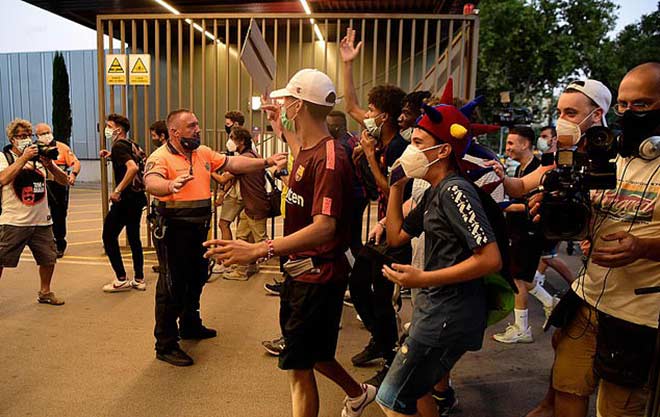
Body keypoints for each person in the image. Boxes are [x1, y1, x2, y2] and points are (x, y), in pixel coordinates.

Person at [204, 68, 377, 417]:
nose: (280, 105)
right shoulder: (313, 150)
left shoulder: (330, 159)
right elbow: (301, 155)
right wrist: (279, 128)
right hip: (302, 275)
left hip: (317, 278)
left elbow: (325, 227)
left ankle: (358, 393)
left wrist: (258, 249)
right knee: (313, 354)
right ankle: (359, 393)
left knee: (298, 367)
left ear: (299, 106)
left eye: (286, 101)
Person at [527, 63, 660, 417]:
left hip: (638, 315)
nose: (630, 113)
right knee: (567, 385)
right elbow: (591, 219)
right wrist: (558, 209)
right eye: (624, 105)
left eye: (642, 105)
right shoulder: (607, 158)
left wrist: (643, 247)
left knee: (617, 408)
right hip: (587, 297)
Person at [376, 102, 502, 417]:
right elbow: (396, 237)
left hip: (449, 314)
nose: (409, 150)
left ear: (443, 150)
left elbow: (490, 259)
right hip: (435, 309)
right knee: (417, 391)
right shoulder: (434, 191)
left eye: (418, 143)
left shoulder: (455, 191)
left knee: (391, 398)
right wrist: (396, 186)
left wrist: (423, 279)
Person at [144, 108, 285, 367]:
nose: (197, 129)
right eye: (191, 126)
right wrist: (168, 186)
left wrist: (266, 162)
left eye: (197, 125)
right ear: (174, 132)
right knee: (171, 285)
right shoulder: (160, 156)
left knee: (197, 277)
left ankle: (190, 324)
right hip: (173, 230)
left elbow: (233, 164)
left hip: (198, 228)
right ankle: (165, 343)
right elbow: (151, 181)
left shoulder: (203, 153)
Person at [340, 27, 411, 385]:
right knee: (358, 284)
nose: (364, 114)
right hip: (383, 225)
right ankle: (380, 340)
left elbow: (389, 188)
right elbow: (350, 103)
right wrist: (347, 64)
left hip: (399, 233)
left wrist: (369, 157)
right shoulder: (378, 134)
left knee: (380, 295)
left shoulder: (396, 146)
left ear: (384, 115)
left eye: (372, 109)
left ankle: (389, 353)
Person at [492, 126, 558, 344]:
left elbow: (537, 204)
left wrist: (508, 207)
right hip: (519, 231)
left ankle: (522, 328)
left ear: (526, 144)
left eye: (511, 143)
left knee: (516, 278)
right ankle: (550, 302)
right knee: (522, 276)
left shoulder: (539, 169)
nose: (508, 148)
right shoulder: (523, 168)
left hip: (529, 232)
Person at [0, 118, 69, 305]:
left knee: (48, 258)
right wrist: (23, 159)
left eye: (27, 136)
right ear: (12, 139)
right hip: (15, 220)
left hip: (41, 220)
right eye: (20, 136)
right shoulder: (3, 157)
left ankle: (45, 292)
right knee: (1, 258)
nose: (25, 139)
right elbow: (2, 179)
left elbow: (64, 181)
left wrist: (49, 165)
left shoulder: (39, 160)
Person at [99, 114, 148, 292]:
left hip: (125, 199)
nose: (107, 129)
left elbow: (133, 167)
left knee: (109, 236)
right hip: (137, 198)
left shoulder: (119, 145)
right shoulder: (130, 144)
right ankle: (139, 278)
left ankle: (121, 278)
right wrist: (112, 155)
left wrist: (117, 190)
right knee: (134, 237)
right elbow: (134, 161)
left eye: (109, 126)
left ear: (119, 129)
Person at [223, 127, 270, 281]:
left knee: (263, 242)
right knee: (242, 237)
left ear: (241, 141)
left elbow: (223, 179)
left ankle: (287, 268)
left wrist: (208, 169)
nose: (230, 141)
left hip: (254, 205)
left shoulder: (244, 160)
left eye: (232, 137)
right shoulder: (254, 155)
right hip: (253, 204)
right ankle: (246, 267)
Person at [533, 125, 574, 286]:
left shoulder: (563, 159)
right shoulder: (546, 159)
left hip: (560, 212)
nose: (541, 140)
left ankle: (574, 285)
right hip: (548, 211)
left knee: (549, 256)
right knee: (547, 254)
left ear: (554, 139)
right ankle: (539, 276)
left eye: (545, 136)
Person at [34, 122, 81, 258]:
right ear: (36, 136)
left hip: (58, 185)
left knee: (59, 214)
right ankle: (45, 243)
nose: (45, 136)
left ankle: (60, 243)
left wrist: (73, 175)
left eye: (47, 132)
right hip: (40, 185)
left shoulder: (61, 148)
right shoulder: (34, 149)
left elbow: (76, 163)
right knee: (40, 215)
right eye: (42, 134)